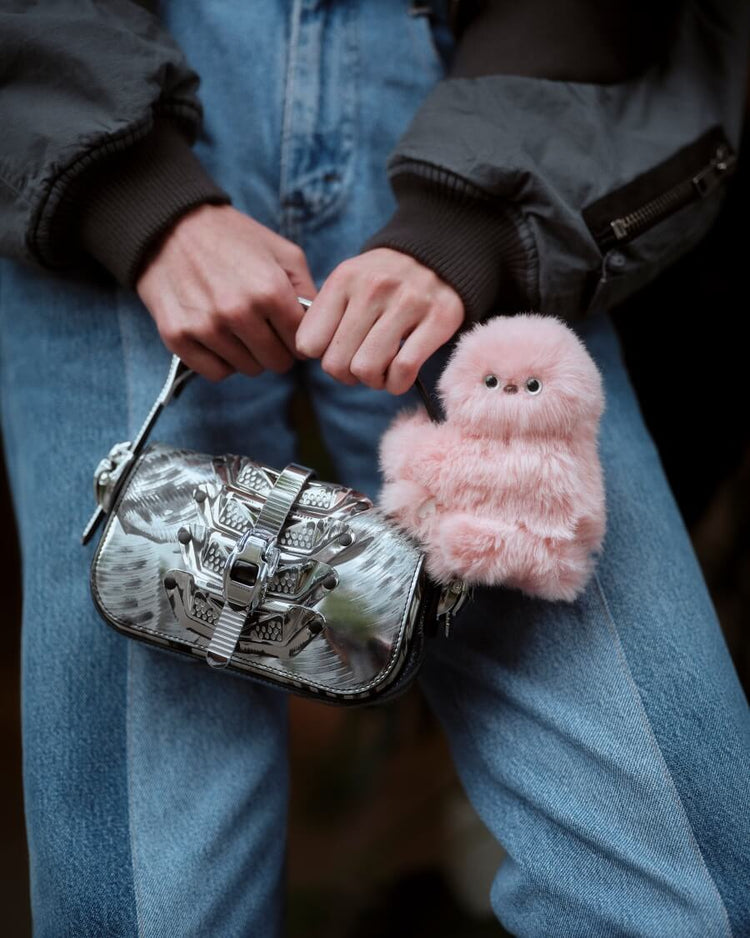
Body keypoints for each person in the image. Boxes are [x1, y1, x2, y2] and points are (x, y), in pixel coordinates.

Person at [1, 1, 748, 935]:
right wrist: (127, 190)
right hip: (105, 96)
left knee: (678, 892)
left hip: (480, 98)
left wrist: (473, 213)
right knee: (156, 911)